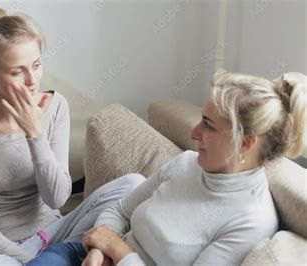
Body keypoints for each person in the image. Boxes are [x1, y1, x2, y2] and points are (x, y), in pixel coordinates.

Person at [29, 69, 306, 266]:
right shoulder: (186, 164)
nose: (195, 133)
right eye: (201, 119)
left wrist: (117, 249)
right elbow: (120, 210)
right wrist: (99, 251)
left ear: (246, 143)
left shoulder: (250, 222)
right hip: (87, 256)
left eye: (208, 125)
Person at [0, 4, 144, 265]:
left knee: (134, 184)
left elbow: (58, 198)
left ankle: (65, 254)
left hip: (54, 232)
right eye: (17, 71)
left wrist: (35, 135)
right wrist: (29, 258)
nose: (32, 80)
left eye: (37, 65)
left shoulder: (55, 106)